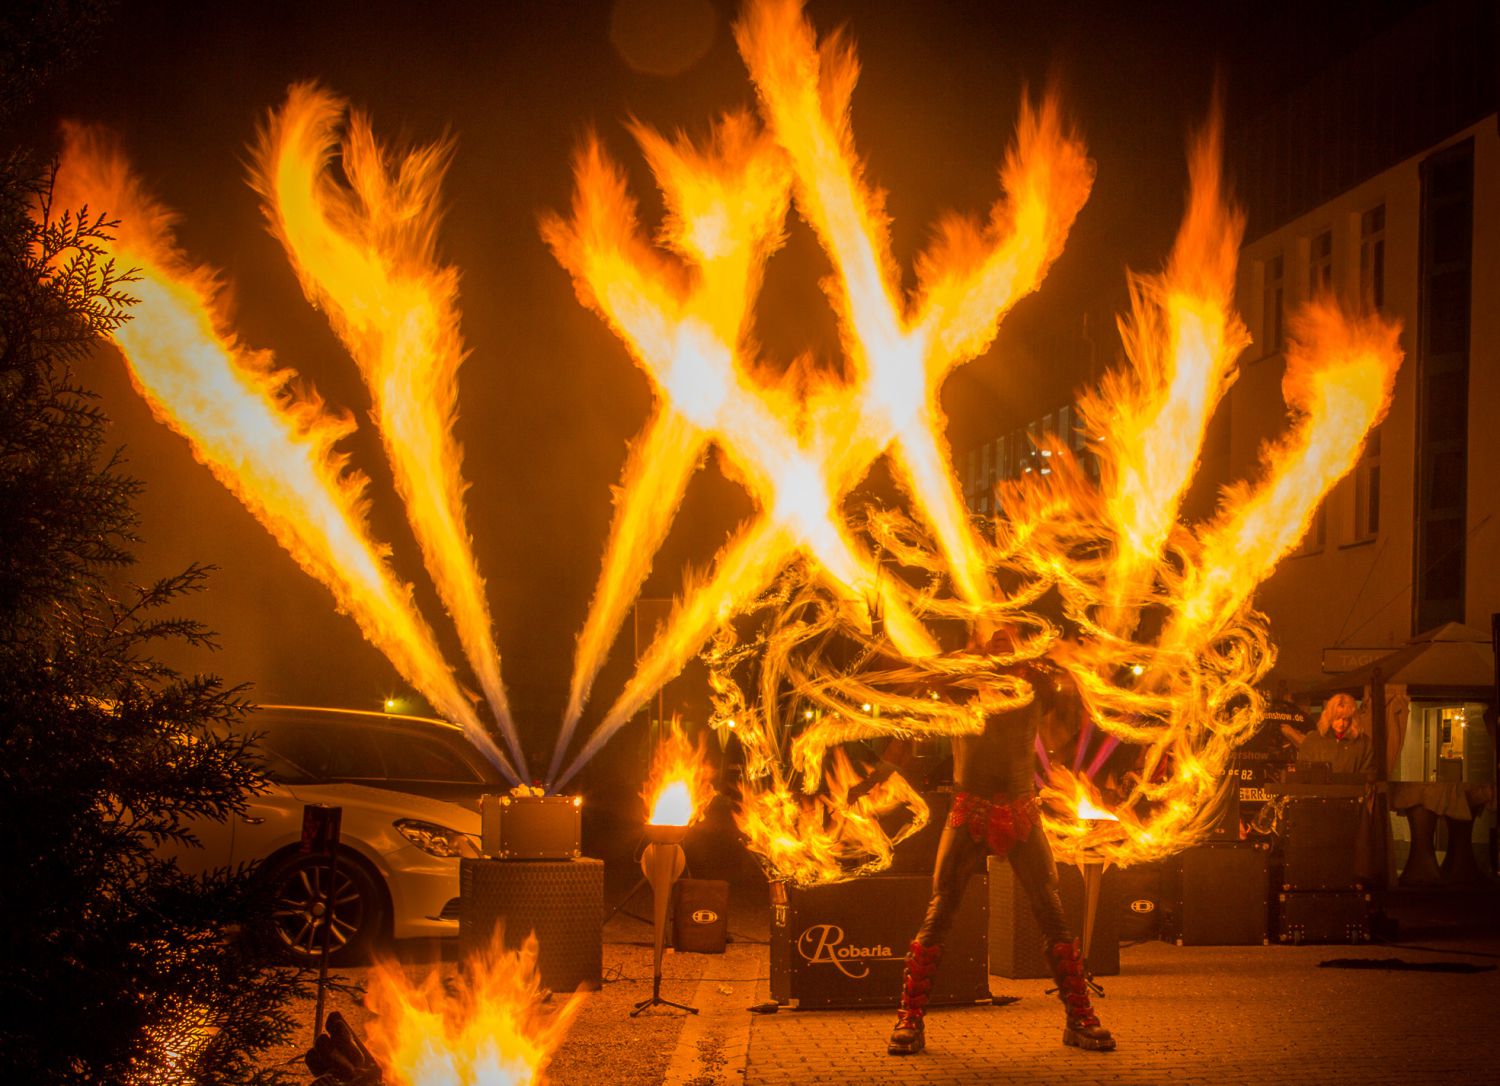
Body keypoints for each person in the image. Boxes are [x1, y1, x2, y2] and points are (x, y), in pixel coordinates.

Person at [887, 631, 1115, 1056]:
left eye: (1010, 636)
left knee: (1053, 914)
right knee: (939, 913)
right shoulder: (960, 685)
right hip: (968, 809)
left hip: (1022, 809)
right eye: (992, 636)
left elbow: (1071, 713)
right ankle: (910, 1019)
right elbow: (913, 710)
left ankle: (1079, 1018)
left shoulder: (1037, 686)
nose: (1002, 641)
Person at [1297, 693, 1374, 779]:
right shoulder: (1312, 740)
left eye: (1345, 719)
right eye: (1337, 718)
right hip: (1318, 792)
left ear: (1352, 719)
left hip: (1351, 791)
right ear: (1329, 716)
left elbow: (1368, 777)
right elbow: (1302, 773)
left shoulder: (1364, 743)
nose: (1341, 724)